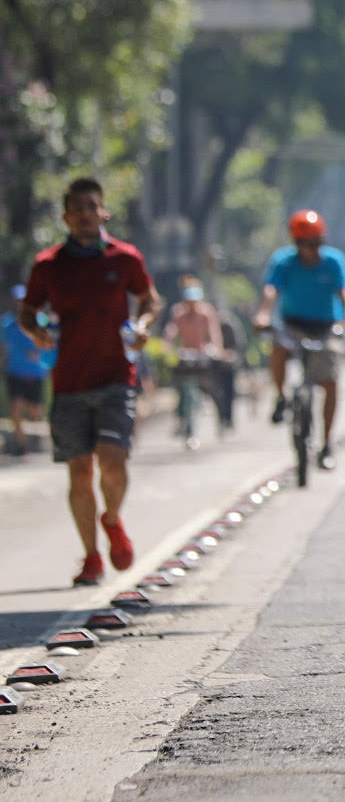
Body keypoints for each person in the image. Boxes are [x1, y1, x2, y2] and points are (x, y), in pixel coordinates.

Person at [21, 177, 161, 585]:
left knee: (113, 464)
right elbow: (29, 311)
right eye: (77, 208)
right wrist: (36, 332)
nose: (85, 213)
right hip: (69, 382)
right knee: (79, 473)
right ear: (66, 217)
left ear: (105, 212)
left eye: (92, 206)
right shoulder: (48, 264)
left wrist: (144, 323)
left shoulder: (124, 257)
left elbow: (148, 298)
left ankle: (112, 520)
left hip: (117, 376)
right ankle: (90, 556)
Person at [252, 210, 345, 471]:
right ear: (295, 243)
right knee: (277, 348)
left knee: (330, 382)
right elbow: (271, 290)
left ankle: (326, 443)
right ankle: (280, 396)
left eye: (315, 244)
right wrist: (263, 314)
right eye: (303, 244)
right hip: (293, 324)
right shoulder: (283, 261)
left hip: (326, 326)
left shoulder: (334, 261)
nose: (310, 250)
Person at [163, 275, 227, 441]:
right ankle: (182, 420)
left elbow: (214, 334)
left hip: (202, 355)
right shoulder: (179, 312)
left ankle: (223, 423)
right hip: (186, 355)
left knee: (214, 390)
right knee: (183, 389)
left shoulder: (206, 312)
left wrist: (216, 350)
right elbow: (172, 330)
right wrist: (167, 345)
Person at [3, 284, 56, 456]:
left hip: (35, 372)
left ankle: (45, 440)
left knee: (35, 411)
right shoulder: (7, 324)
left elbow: (51, 343)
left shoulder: (41, 320)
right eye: (17, 300)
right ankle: (22, 447)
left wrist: (42, 356)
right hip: (15, 372)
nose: (19, 304)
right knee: (16, 408)